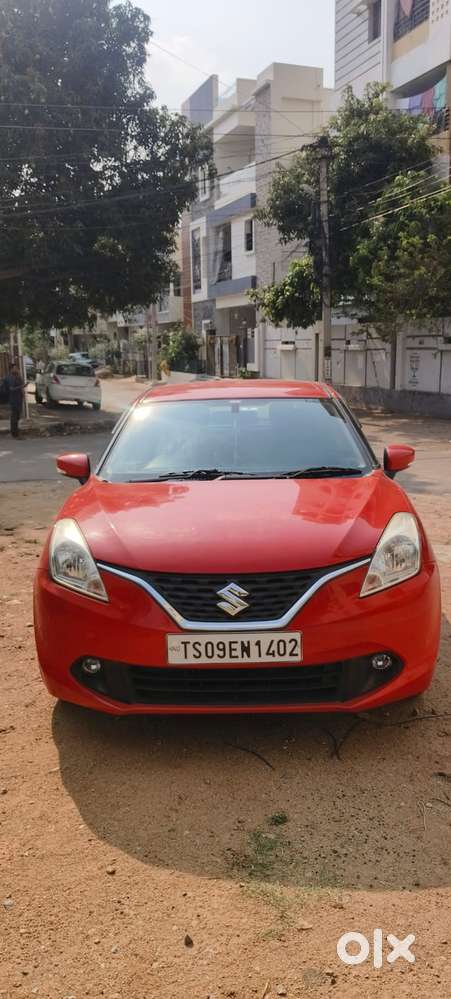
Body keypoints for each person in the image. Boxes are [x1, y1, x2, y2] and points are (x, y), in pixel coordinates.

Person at [3, 363, 24, 438]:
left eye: (17, 368)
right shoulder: (9, 377)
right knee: (14, 417)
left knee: (17, 416)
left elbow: (20, 384)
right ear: (11, 369)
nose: (16, 369)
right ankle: (14, 433)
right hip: (13, 399)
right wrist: (21, 386)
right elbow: (11, 389)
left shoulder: (17, 376)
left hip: (18, 399)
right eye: (15, 368)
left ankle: (15, 432)